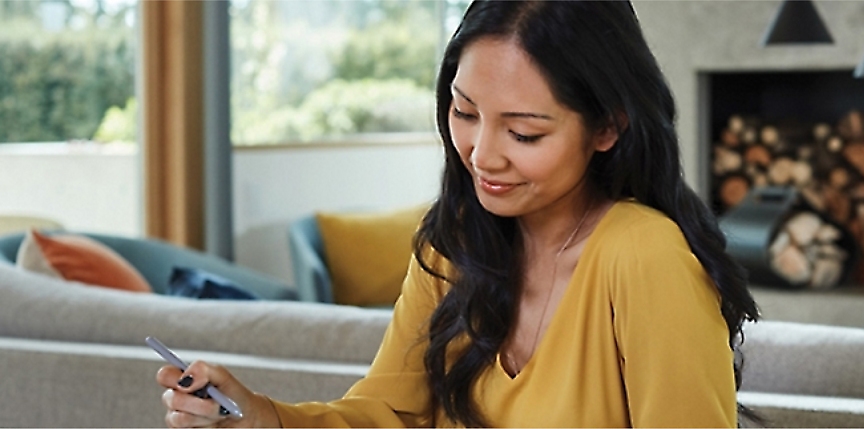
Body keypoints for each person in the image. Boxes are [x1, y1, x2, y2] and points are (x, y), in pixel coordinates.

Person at [156, 1, 760, 427]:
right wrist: (261, 419)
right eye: (465, 113)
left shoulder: (645, 255)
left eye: (523, 133)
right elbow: (388, 415)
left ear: (608, 126)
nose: (481, 154)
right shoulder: (456, 243)